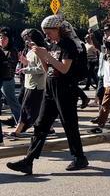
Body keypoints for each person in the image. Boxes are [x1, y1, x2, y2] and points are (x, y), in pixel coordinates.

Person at [7, 15, 88, 174]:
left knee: (69, 124)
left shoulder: (68, 45)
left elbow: (64, 69)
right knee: (40, 125)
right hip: (50, 87)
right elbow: (47, 69)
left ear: (57, 29)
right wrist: (40, 54)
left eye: (48, 32)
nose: (46, 35)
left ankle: (79, 158)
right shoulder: (52, 44)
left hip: (65, 88)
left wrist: (47, 55)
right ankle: (28, 161)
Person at [6, 29, 47, 138]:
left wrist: (26, 70)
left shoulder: (40, 50)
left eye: (27, 39)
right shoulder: (30, 51)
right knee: (36, 109)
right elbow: (32, 64)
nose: (26, 41)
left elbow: (42, 68)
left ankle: (18, 130)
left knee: (26, 108)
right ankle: (49, 128)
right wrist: (25, 63)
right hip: (29, 83)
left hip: (36, 85)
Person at [0, 27, 21, 126]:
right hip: (2, 79)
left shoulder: (12, 51)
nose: (2, 40)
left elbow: (9, 65)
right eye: (0, 38)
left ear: (9, 40)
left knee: (12, 102)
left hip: (7, 80)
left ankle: (21, 122)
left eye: (4, 38)